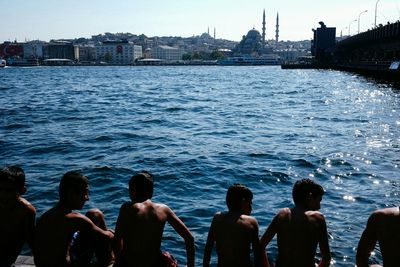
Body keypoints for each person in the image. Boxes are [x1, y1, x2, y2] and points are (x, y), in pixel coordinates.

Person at [113, 171, 195, 267]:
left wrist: (117, 262)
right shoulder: (164, 209)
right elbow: (189, 238)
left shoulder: (127, 207)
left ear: (133, 191)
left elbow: (117, 240)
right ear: (151, 192)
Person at [33, 171, 114, 267]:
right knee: (98, 216)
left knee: (94, 215)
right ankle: (112, 261)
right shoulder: (75, 219)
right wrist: (113, 232)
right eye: (85, 192)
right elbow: (107, 237)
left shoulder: (46, 216)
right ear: (71, 193)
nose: (87, 198)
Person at [260, 179, 331, 267]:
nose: (319, 206)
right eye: (318, 200)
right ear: (310, 197)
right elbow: (326, 258)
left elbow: (261, 246)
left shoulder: (282, 214)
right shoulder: (317, 218)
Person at [203, 184, 262, 267]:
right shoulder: (251, 222)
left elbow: (207, 250)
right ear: (243, 202)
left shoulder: (217, 219)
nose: (251, 208)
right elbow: (258, 256)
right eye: (250, 203)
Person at [0, 166, 36, 267]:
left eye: (9, 191)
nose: (3, 194)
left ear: (22, 190)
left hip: (6, 259)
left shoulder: (26, 211)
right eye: (0, 189)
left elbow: (31, 239)